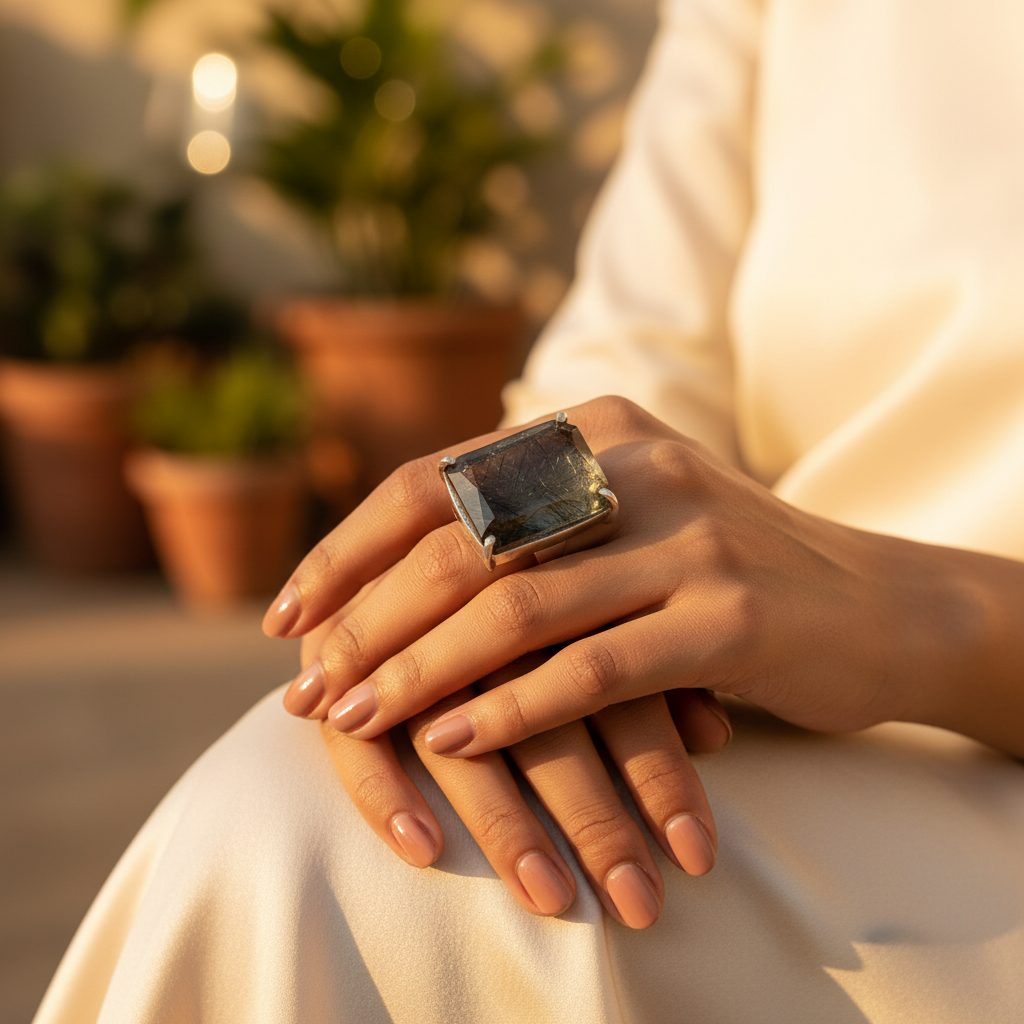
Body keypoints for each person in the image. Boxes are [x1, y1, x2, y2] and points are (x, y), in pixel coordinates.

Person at [33, 0, 1024, 1021]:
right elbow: (624, 380)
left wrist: (914, 612)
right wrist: (507, 603)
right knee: (288, 815)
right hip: (769, 700)